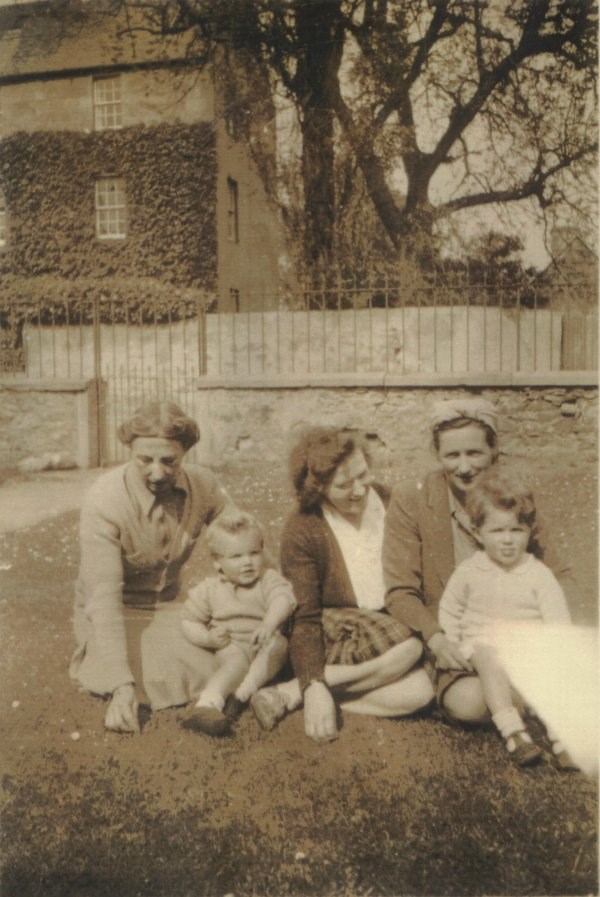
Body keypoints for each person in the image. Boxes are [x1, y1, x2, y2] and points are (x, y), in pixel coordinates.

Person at [382, 396, 572, 727]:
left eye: (475, 453)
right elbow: (400, 590)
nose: (464, 466)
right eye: (451, 455)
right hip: (462, 640)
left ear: (494, 450)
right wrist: (438, 638)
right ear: (437, 454)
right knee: (467, 703)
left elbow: (560, 575)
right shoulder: (411, 499)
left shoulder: (514, 495)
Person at [249, 426, 434, 743]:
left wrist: (313, 686)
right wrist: (313, 676)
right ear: (316, 488)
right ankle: (313, 685)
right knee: (411, 646)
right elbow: (304, 616)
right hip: (332, 624)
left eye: (363, 475)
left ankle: (293, 693)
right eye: (344, 485)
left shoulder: (392, 502)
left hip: (386, 619)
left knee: (421, 693)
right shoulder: (303, 528)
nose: (360, 490)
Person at [70, 401, 231, 734]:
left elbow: (244, 534)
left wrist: (274, 593)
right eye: (145, 460)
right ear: (130, 451)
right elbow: (103, 598)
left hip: (172, 608)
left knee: (232, 639)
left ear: (185, 454)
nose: (157, 473)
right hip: (116, 614)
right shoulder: (104, 501)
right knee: (146, 670)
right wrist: (121, 685)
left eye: (169, 461)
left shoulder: (203, 485)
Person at [438, 467, 573, 768]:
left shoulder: (538, 575)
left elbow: (557, 622)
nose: (508, 540)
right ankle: (515, 733)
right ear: (477, 532)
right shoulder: (470, 572)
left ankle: (561, 739)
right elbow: (449, 611)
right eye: (497, 531)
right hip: (482, 652)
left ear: (529, 530)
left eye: (516, 530)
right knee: (489, 654)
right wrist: (454, 645)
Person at [179, 511, 297, 736]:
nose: (247, 563)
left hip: (265, 643)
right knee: (235, 662)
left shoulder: (267, 580)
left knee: (280, 645)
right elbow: (189, 620)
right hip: (233, 645)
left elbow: (283, 599)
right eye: (235, 557)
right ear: (217, 561)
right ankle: (207, 704)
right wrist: (207, 638)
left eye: (254, 553)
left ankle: (241, 695)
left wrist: (269, 623)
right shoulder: (210, 589)